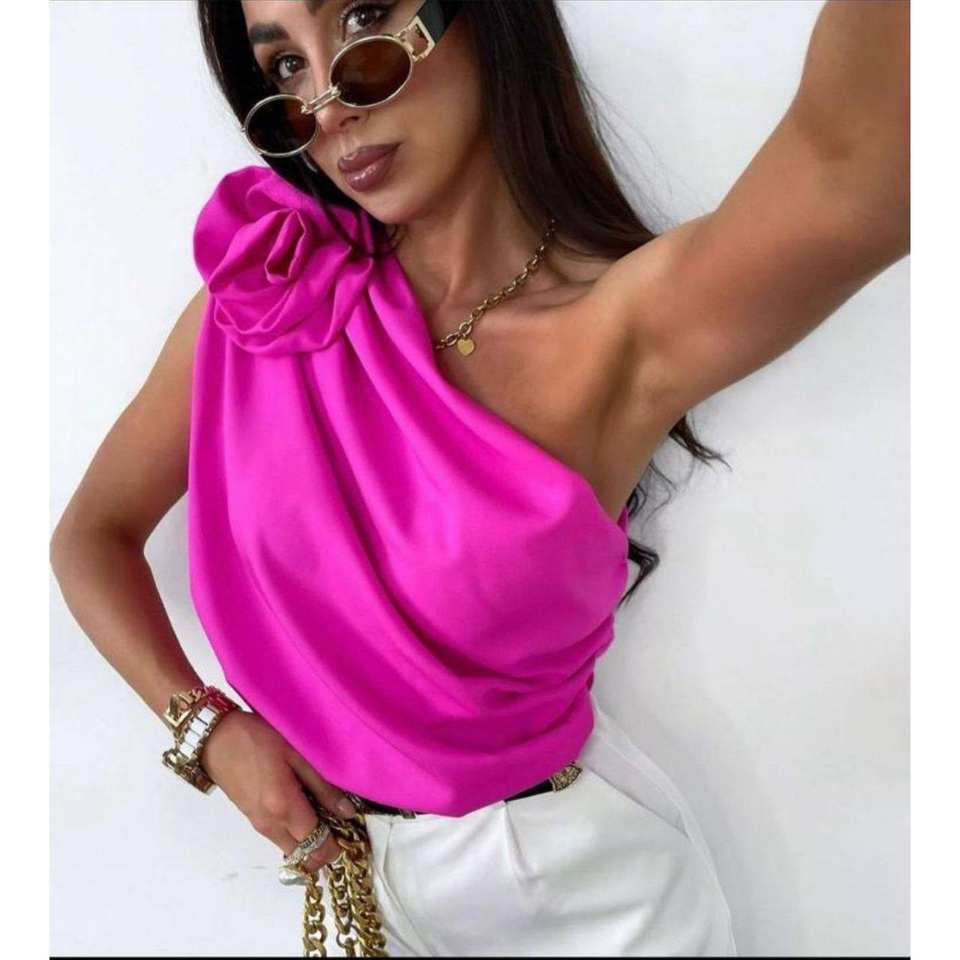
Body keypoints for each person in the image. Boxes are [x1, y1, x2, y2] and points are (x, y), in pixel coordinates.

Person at [50, 0, 909, 956]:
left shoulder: (616, 332)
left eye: (363, 18)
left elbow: (858, 168)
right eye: (286, 68)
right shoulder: (266, 295)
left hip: (589, 899)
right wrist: (206, 733)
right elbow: (90, 537)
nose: (329, 103)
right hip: (364, 897)